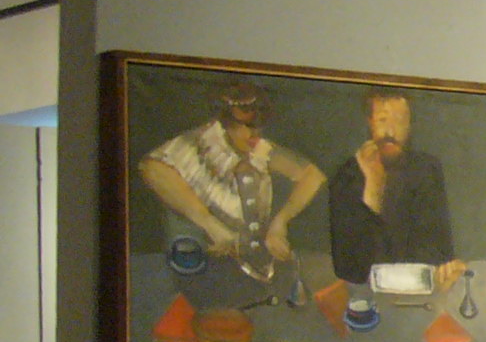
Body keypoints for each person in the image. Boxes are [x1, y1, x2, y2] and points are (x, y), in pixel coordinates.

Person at [138, 81, 326, 277]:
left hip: (254, 263)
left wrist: (280, 222)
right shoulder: (198, 144)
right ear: (225, 123)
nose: (255, 134)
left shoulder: (258, 147)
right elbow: (152, 168)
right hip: (203, 262)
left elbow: (312, 176)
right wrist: (209, 223)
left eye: (259, 127)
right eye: (247, 126)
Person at [326, 89, 464, 287]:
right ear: (370, 122)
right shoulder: (346, 177)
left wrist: (447, 270)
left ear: (409, 126)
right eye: (382, 120)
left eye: (399, 121)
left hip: (420, 293)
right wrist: (373, 190)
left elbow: (437, 254)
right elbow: (351, 270)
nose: (390, 132)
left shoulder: (426, 170)